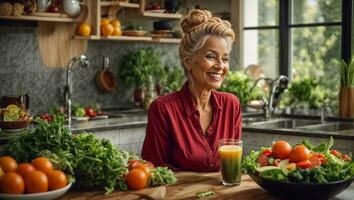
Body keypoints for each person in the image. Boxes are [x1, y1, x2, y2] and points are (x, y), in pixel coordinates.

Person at [141, 9, 242, 172]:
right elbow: (154, 171)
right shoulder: (163, 109)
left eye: (225, 59)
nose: (220, 65)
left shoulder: (231, 105)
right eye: (210, 56)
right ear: (188, 62)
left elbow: (231, 168)